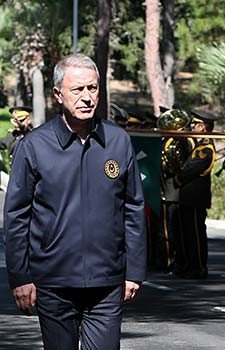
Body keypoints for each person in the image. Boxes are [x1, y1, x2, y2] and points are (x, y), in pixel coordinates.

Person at [4, 53, 147, 349]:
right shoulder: (34, 146)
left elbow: (133, 208)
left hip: (106, 282)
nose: (86, 98)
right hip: (53, 281)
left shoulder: (118, 141)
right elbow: (17, 216)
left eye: (92, 89)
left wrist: (134, 271)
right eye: (77, 89)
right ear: (58, 95)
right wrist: (20, 276)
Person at [175, 108, 218, 279]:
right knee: (188, 234)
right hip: (189, 197)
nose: (192, 126)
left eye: (195, 124)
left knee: (195, 235)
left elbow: (190, 170)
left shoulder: (205, 148)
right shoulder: (198, 145)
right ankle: (190, 265)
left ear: (204, 126)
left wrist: (178, 177)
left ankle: (199, 266)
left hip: (195, 197)